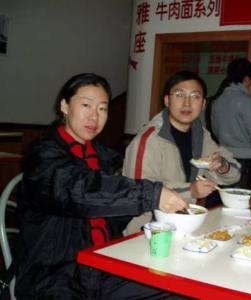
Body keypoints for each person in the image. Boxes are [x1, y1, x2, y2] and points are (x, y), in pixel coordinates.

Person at [15, 73, 188, 299]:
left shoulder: (104, 157)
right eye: (86, 105)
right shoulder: (43, 156)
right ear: (65, 106)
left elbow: (119, 197)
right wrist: (151, 194)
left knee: (175, 287)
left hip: (101, 268)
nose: (94, 116)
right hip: (55, 276)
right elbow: (80, 190)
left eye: (103, 108)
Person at [123, 71, 240, 233]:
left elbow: (235, 174)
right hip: (149, 231)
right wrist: (190, 190)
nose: (187, 103)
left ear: (204, 104)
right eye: (179, 95)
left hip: (188, 225)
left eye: (195, 96)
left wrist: (222, 165)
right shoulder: (149, 139)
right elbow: (137, 191)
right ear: (166, 100)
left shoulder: (201, 135)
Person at [210, 58, 251, 189]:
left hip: (223, 156)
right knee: (239, 199)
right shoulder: (245, 100)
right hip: (245, 159)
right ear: (246, 79)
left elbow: (215, 130)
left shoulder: (218, 100)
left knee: (223, 197)